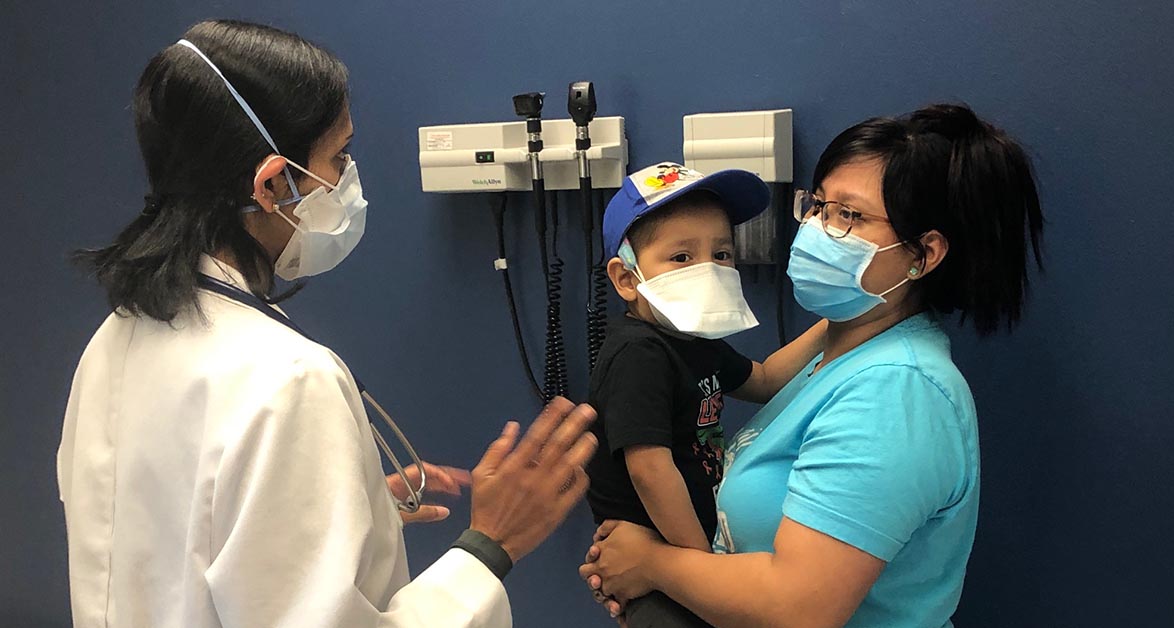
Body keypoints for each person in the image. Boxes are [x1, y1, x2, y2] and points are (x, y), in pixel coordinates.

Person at [58, 20, 596, 628]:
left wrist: (344, 505)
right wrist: (489, 547)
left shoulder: (115, 339)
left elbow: (170, 542)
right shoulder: (288, 381)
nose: (347, 178)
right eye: (337, 156)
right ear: (272, 184)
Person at [580, 103, 1045, 628]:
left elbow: (799, 609)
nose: (819, 229)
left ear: (924, 254)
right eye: (820, 206)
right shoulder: (844, 352)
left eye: (850, 215)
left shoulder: (895, 392)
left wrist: (655, 564)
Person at [585, 163, 828, 626]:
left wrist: (832, 326)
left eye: (721, 254)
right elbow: (651, 470)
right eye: (681, 258)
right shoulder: (640, 352)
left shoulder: (695, 341)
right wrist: (700, 569)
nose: (709, 270)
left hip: (685, 550)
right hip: (653, 556)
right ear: (626, 279)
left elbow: (763, 380)